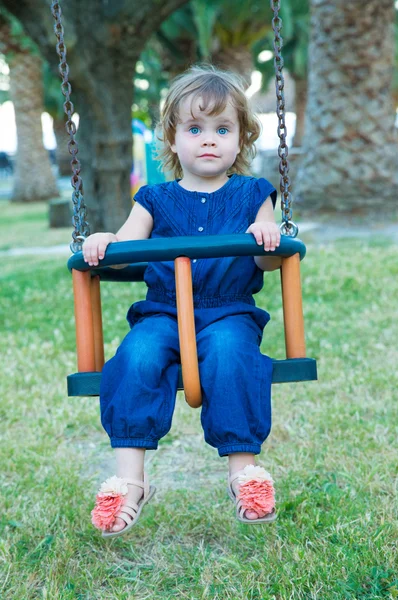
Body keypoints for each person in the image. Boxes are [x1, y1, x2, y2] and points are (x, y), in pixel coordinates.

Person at [84, 65, 282, 537]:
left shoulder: (255, 194)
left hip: (228, 310)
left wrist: (266, 236)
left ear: (241, 140)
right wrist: (102, 241)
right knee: (137, 355)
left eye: (222, 129)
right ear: (173, 140)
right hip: (163, 312)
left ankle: (243, 475)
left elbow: (270, 265)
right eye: (194, 129)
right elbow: (123, 250)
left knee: (234, 356)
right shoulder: (153, 198)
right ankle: (130, 481)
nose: (208, 139)